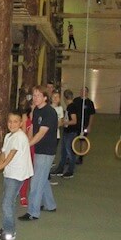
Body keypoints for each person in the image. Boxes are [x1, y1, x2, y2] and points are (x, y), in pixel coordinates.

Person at [18, 85, 58, 221]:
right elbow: (33, 129)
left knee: (36, 181)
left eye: (38, 95)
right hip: (38, 149)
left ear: (45, 98)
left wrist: (28, 144)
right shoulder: (35, 111)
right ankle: (50, 205)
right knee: (42, 178)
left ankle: (33, 212)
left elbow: (41, 133)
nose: (35, 98)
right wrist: (26, 141)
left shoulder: (50, 112)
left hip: (47, 151)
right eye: (34, 95)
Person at [0, 110, 33, 240]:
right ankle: (6, 226)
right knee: (7, 200)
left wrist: (2, 165)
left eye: (15, 121)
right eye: (10, 121)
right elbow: (4, 152)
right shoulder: (9, 136)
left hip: (17, 175)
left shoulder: (20, 136)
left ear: (21, 123)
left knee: (7, 203)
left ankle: (9, 232)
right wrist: (0, 162)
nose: (12, 124)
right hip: (9, 173)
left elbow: (12, 154)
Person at [51, 89, 79, 179]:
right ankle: (60, 168)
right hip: (67, 132)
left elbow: (74, 121)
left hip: (71, 132)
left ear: (64, 98)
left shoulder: (71, 107)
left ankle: (70, 170)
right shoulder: (69, 107)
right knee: (63, 152)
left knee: (70, 152)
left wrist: (63, 123)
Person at [73, 86, 96, 165]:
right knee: (74, 139)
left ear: (87, 92)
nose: (82, 92)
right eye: (81, 90)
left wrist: (89, 126)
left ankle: (81, 157)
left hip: (85, 124)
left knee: (82, 140)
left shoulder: (90, 103)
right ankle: (72, 155)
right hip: (75, 124)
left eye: (84, 91)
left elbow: (92, 115)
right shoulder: (76, 101)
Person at [48, 90, 64, 186]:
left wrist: (55, 126)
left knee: (52, 156)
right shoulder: (48, 108)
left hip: (56, 135)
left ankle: (48, 175)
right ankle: (47, 176)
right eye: (53, 96)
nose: (55, 98)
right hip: (48, 136)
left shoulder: (60, 109)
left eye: (57, 97)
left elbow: (60, 122)